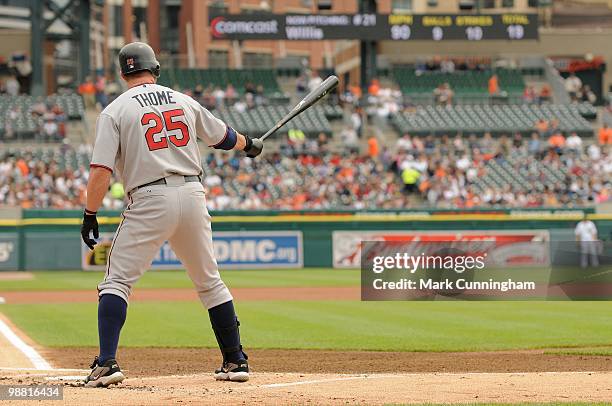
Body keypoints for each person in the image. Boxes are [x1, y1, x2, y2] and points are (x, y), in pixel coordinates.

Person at [80, 42, 262, 388]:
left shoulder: (115, 110)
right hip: (193, 194)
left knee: (116, 281)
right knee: (210, 281)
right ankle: (235, 360)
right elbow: (223, 137)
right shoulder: (181, 99)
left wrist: (90, 212)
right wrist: (250, 144)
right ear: (155, 69)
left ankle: (106, 363)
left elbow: (101, 170)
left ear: (123, 74)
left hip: (149, 196)